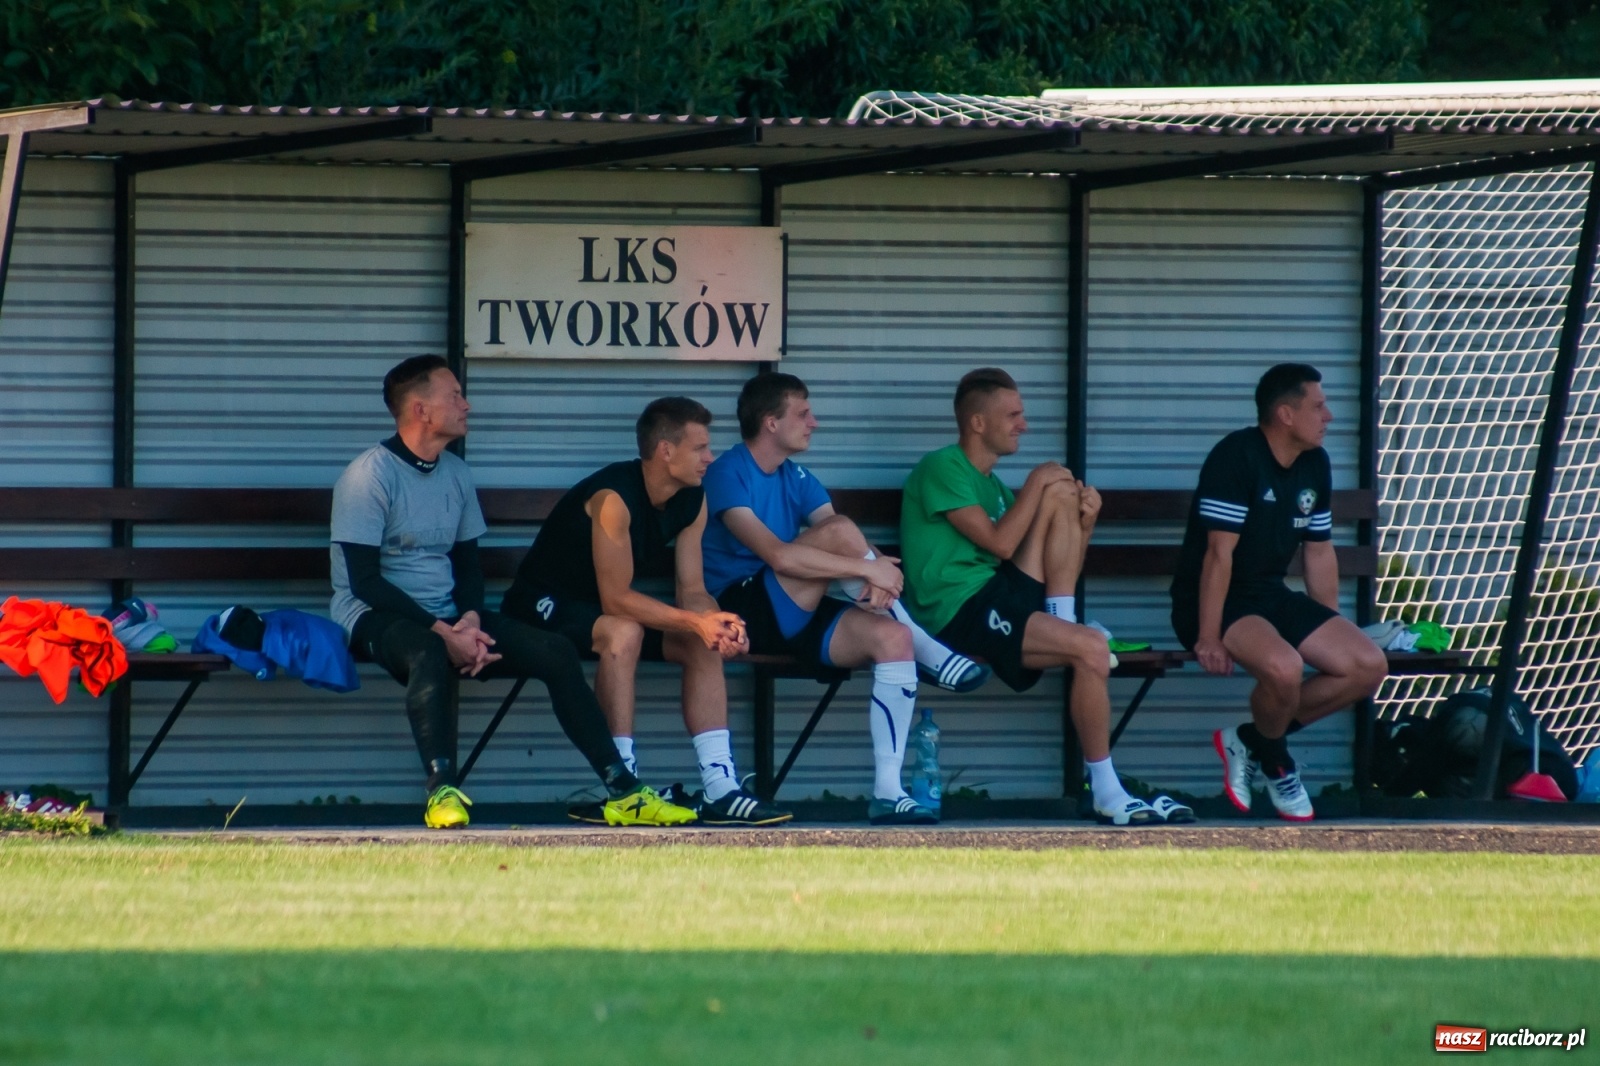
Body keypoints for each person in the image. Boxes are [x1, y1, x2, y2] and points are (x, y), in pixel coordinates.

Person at [330, 355, 694, 829]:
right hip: (373, 615)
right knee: (427, 652)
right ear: (420, 410)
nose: (467, 404)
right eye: (455, 396)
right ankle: (442, 790)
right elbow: (365, 582)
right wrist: (445, 632)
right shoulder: (368, 476)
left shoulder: (455, 474)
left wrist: (472, 621)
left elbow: (468, 564)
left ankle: (623, 790)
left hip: (452, 618)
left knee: (555, 650)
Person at [899, 367, 1193, 826]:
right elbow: (999, 545)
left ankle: (1066, 619)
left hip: (998, 599)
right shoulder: (941, 466)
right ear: (978, 423)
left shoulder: (996, 488)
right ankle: (1107, 790)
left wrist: (1084, 521)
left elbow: (1054, 561)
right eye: (1013, 414)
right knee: (1091, 647)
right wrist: (1035, 484)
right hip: (957, 613)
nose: (1025, 424)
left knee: (1061, 491)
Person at [701, 372, 991, 826]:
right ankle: (925, 643)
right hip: (743, 611)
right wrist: (865, 568)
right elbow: (777, 553)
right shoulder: (726, 472)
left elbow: (845, 539)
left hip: (795, 605)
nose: (814, 422)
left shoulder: (796, 475)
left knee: (891, 638)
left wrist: (876, 573)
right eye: (803, 413)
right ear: (770, 422)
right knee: (840, 537)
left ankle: (889, 793)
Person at [502, 397, 791, 826]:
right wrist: (695, 620)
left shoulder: (693, 498)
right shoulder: (613, 497)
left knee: (701, 641)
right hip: (542, 605)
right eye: (700, 449)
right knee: (624, 632)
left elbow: (692, 590)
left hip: (605, 609)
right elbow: (616, 598)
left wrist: (717, 623)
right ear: (666, 451)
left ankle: (721, 787)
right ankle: (622, 787)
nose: (711, 458)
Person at [1171, 363, 1386, 822]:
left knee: (1367, 666)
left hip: (1269, 594)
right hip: (1217, 599)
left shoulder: (1315, 462)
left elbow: (1319, 551)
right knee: (1285, 669)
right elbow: (1217, 557)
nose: (1328, 416)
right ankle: (1277, 761)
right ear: (1286, 415)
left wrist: (1329, 623)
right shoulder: (1236, 456)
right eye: (1319, 405)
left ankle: (1250, 740)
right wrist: (1207, 635)